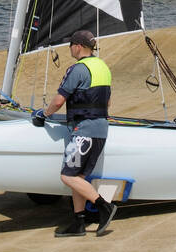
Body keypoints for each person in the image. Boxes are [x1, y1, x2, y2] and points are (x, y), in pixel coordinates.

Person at [32, 29, 116, 238]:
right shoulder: (103, 67)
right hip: (100, 129)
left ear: (78, 46)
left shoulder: (77, 69)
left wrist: (43, 114)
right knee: (79, 176)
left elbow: (59, 100)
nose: (69, 47)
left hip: (83, 130)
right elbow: (107, 102)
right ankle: (79, 222)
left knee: (67, 176)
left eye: (70, 44)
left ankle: (103, 206)